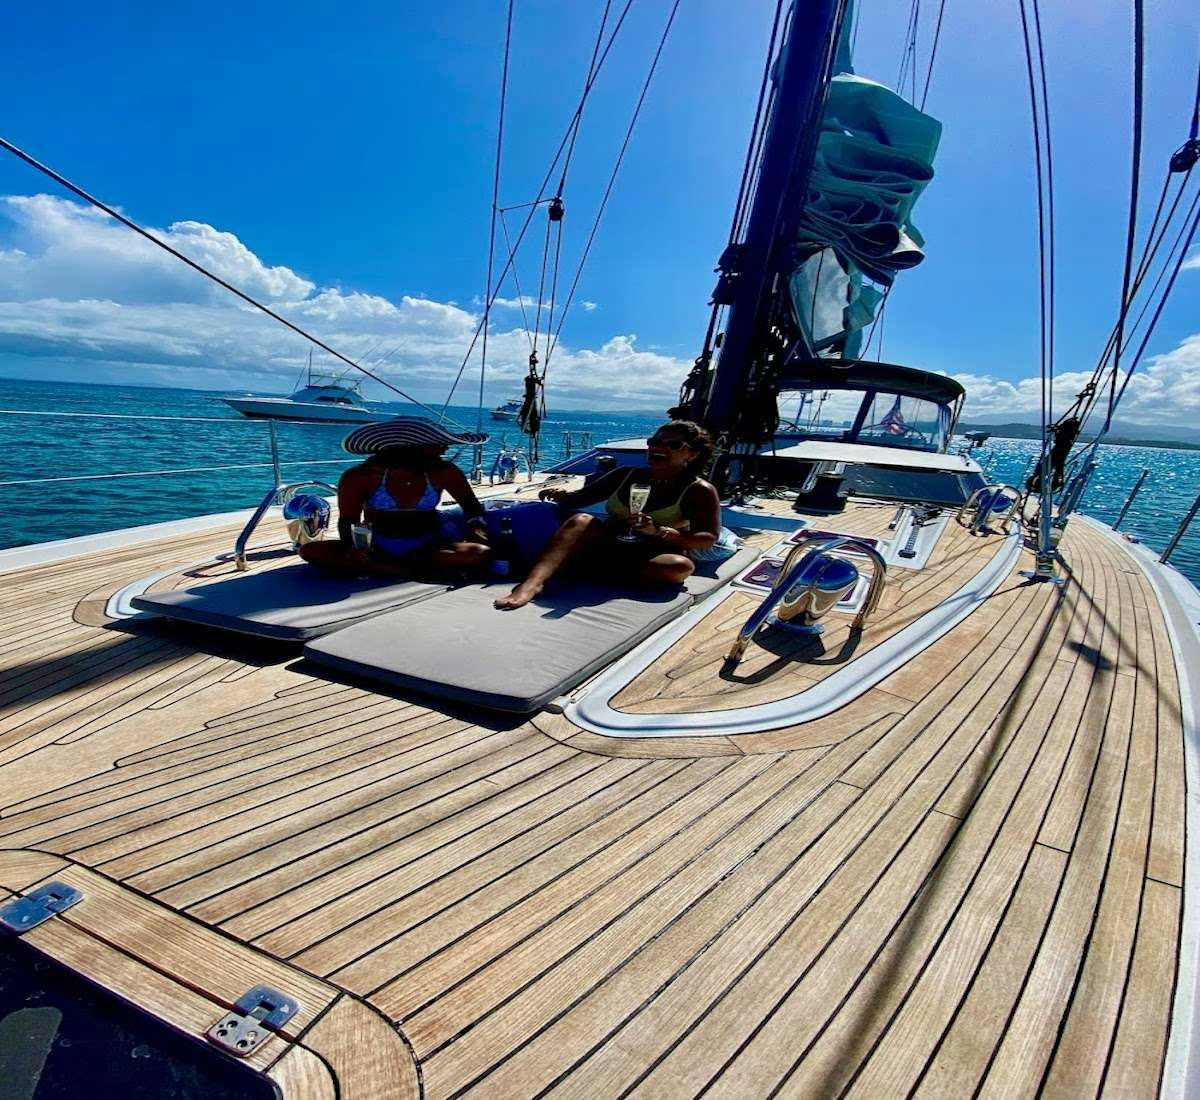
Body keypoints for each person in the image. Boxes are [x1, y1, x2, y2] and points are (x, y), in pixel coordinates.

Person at [493, 420, 721, 610]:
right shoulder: (625, 475)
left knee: (679, 567)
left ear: (691, 453)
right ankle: (532, 584)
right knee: (581, 520)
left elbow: (707, 538)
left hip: (652, 553)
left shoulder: (699, 490)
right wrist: (560, 494)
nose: (659, 447)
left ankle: (588, 570)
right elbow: (579, 500)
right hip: (611, 544)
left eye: (673, 444)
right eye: (655, 441)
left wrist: (659, 531)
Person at [300, 417, 491, 577]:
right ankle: (411, 571)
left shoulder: (445, 472)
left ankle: (389, 570)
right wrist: (353, 548)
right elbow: (349, 519)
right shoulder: (360, 476)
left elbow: (471, 505)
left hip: (427, 545)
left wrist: (476, 527)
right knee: (310, 551)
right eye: (438, 445)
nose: (445, 450)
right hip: (376, 545)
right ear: (412, 448)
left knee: (479, 552)